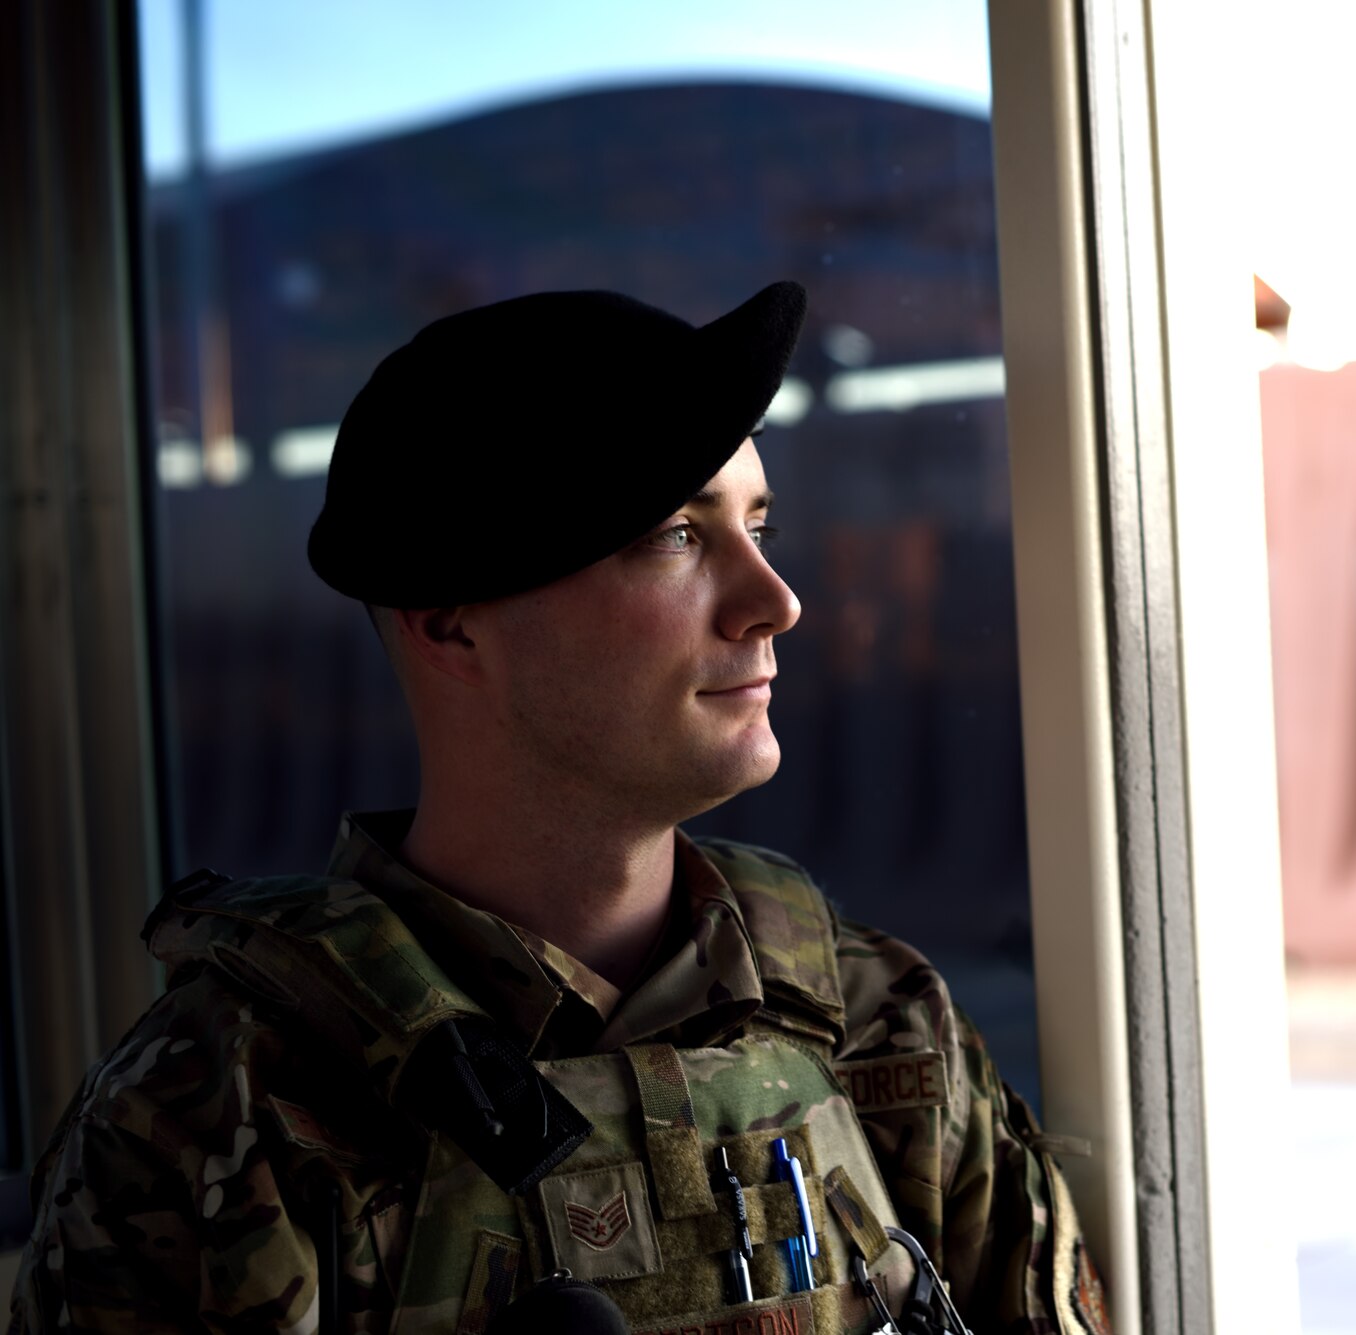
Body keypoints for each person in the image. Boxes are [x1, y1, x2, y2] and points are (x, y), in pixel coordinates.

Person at [8, 283, 1110, 1335]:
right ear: (449, 625)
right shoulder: (218, 1111)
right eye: (676, 535)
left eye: (756, 525)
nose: (773, 600)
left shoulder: (877, 1023)